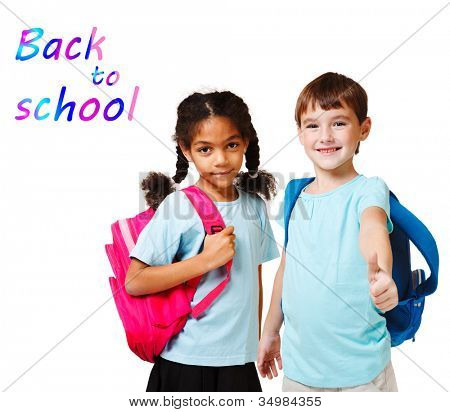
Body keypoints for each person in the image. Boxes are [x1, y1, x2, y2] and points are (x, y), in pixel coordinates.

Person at [126, 91, 279, 391]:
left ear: (246, 142)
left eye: (231, 145)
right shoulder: (177, 208)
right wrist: (204, 262)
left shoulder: (255, 207)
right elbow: (134, 280)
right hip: (185, 361)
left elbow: (254, 281)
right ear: (186, 149)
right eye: (205, 149)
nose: (221, 159)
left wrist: (258, 341)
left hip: (240, 363)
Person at [258, 72, 399, 392]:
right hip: (299, 374)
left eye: (338, 123)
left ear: (364, 128)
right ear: (299, 133)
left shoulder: (368, 190)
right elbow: (286, 268)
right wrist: (270, 330)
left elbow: (374, 229)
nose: (325, 135)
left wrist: (383, 275)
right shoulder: (296, 194)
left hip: (363, 375)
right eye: (312, 125)